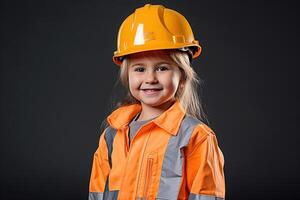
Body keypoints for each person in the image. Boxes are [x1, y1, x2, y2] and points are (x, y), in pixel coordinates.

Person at [88, 4, 225, 200]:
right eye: (140, 69)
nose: (150, 78)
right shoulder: (111, 136)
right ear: (127, 76)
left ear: (183, 76)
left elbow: (206, 195)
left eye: (162, 68)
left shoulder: (196, 137)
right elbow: (97, 193)